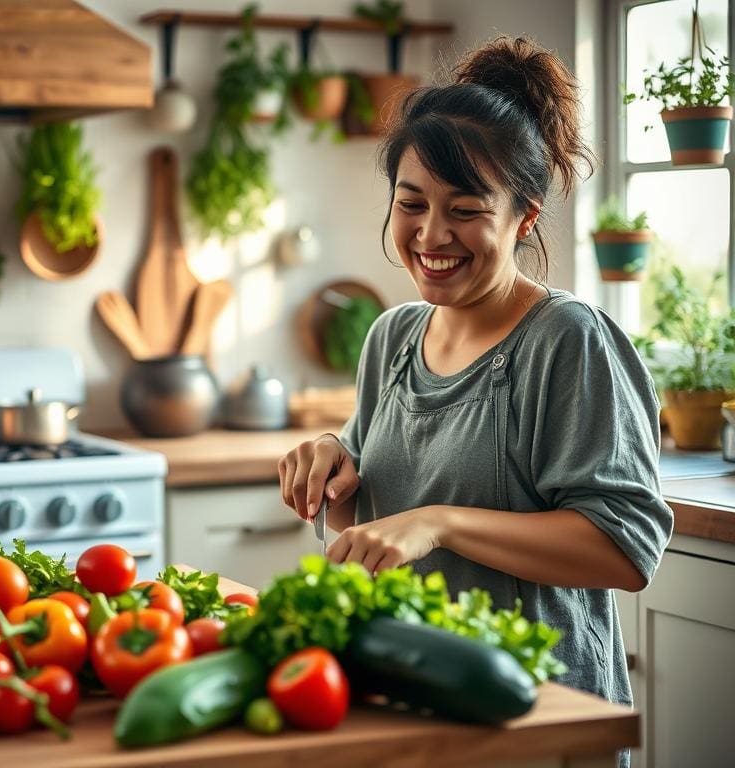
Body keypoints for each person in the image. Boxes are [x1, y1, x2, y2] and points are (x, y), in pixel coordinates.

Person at [277, 36, 673, 764]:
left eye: (464, 209)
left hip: (538, 717)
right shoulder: (392, 336)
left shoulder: (567, 340)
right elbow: (363, 529)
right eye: (412, 203)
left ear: (523, 217)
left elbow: (625, 547)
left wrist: (441, 524)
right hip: (411, 712)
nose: (431, 234)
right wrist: (333, 467)